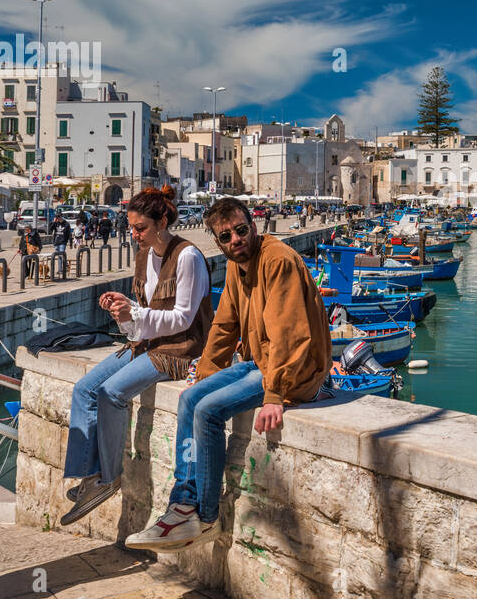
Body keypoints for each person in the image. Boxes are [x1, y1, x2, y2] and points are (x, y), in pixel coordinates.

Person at [126, 197, 331, 551]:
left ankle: (205, 518)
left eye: (240, 230)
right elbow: (224, 326)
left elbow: (291, 334)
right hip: (259, 361)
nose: (235, 239)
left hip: (295, 370)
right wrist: (204, 374)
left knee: (208, 412)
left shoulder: (277, 260)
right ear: (218, 242)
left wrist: (274, 396)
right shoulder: (237, 264)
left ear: (253, 226)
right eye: (225, 236)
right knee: (191, 398)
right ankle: (182, 504)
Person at [60, 186, 213, 525]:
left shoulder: (188, 256)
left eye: (140, 228)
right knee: (84, 389)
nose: (134, 234)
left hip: (179, 350)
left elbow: (184, 318)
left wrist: (137, 315)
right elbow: (143, 316)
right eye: (131, 227)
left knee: (111, 393)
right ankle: (91, 476)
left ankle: (109, 477)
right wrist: (125, 310)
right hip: (147, 344)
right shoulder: (143, 255)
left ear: (162, 221)